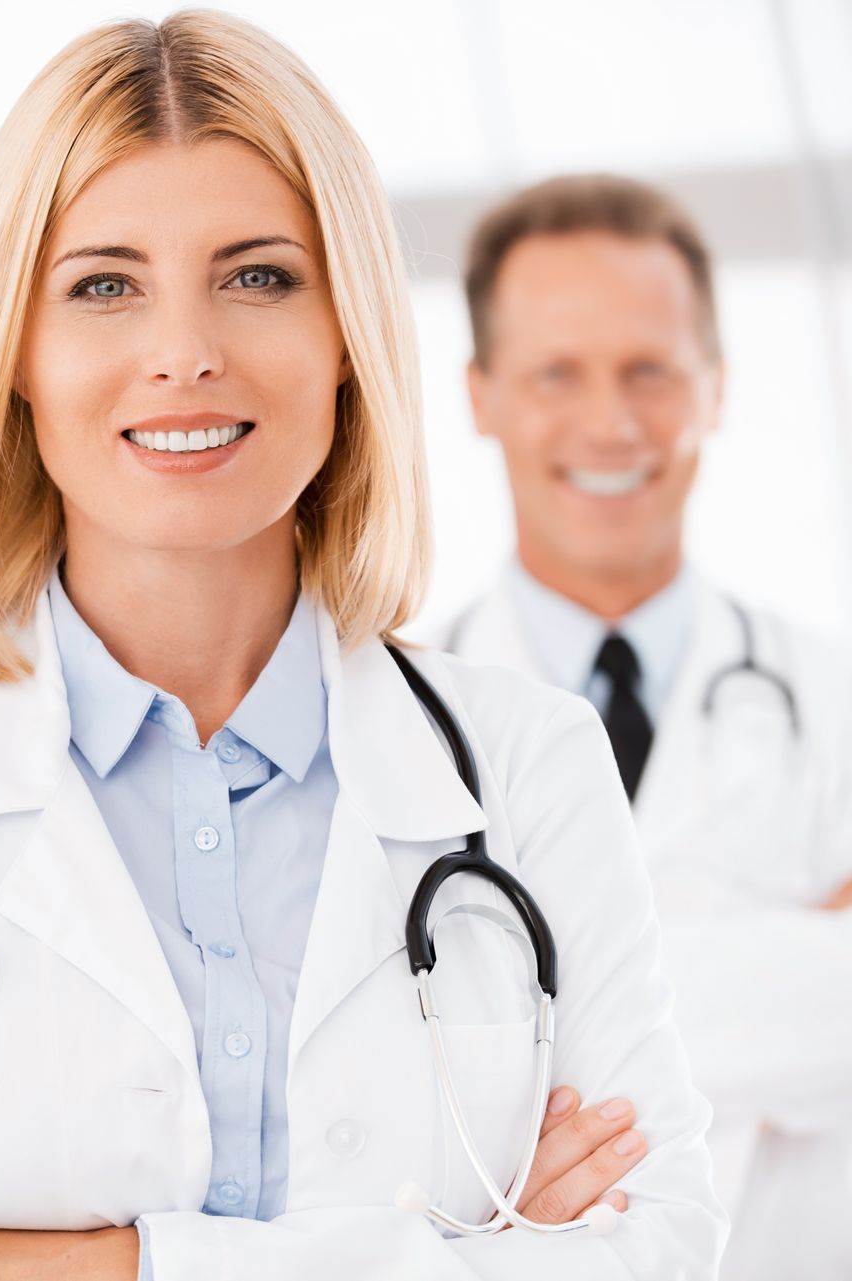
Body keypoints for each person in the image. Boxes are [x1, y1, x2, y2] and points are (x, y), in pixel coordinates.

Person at [0, 13, 725, 1280]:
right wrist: (458, 1253)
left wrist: (58, 1262)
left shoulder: (531, 761)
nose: (185, 352)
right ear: (14, 350)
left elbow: (662, 1244)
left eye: (259, 277)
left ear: (348, 332)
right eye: (103, 286)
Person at [443, 173, 852, 1277]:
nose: (611, 423)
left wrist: (530, 1021)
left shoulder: (838, 697)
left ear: (715, 387)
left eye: (651, 371)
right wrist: (809, 958)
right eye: (556, 373)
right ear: (480, 396)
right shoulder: (394, 720)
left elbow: (449, 1088)